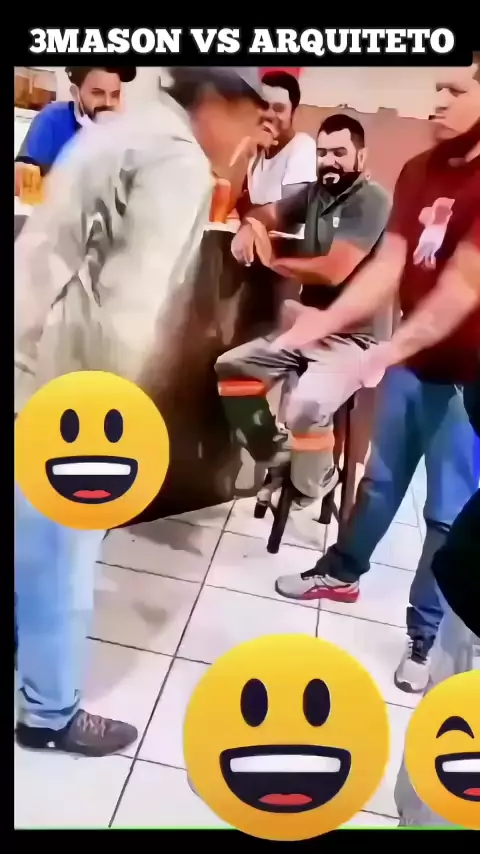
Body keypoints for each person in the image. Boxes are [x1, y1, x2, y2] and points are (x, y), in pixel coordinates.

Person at [14, 66, 267, 757]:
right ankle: (50, 713)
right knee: (63, 551)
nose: (249, 140)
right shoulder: (176, 161)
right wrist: (117, 415)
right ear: (217, 101)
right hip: (71, 381)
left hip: (27, 353)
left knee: (29, 539)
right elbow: (132, 302)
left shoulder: (122, 129)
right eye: (250, 119)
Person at [274, 57, 480, 694]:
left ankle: (425, 636)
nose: (437, 100)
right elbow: (389, 266)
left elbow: (462, 288)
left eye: (454, 90)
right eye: (437, 87)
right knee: (381, 481)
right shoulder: (419, 170)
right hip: (414, 363)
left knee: (445, 514)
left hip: (470, 379)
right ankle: (341, 572)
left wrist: (385, 351)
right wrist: (326, 320)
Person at [215, 115, 391, 534]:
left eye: (340, 152)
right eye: (323, 152)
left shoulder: (372, 200)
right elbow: (271, 210)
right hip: (308, 329)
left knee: (307, 406)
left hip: (357, 339)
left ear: (361, 156)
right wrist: (252, 225)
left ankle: (316, 482)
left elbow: (334, 270)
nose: (330, 161)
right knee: (233, 369)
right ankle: (276, 454)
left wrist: (273, 259)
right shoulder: (314, 192)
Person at [15, 66, 137, 182]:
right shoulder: (54, 119)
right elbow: (23, 172)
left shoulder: (124, 133)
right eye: (97, 93)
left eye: (115, 95)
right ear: (75, 93)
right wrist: (23, 171)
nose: (108, 103)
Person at [246, 71, 317, 205]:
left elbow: (290, 209)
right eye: (264, 106)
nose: (269, 115)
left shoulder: (302, 146)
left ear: (294, 113)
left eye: (279, 108)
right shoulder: (256, 153)